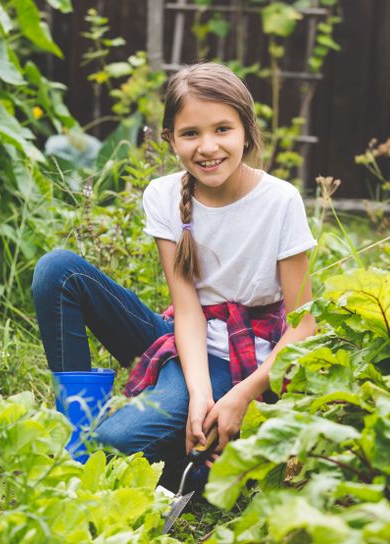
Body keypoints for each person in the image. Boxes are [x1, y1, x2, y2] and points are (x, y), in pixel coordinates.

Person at [32, 62, 316, 486]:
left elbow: (304, 325)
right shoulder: (164, 195)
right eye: (190, 133)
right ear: (169, 139)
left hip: (244, 360)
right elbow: (188, 312)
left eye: (223, 129)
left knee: (113, 442)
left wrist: (240, 396)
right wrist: (199, 393)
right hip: (185, 338)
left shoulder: (280, 202)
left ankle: (203, 463)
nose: (208, 147)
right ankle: (76, 438)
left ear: (247, 131)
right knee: (58, 270)